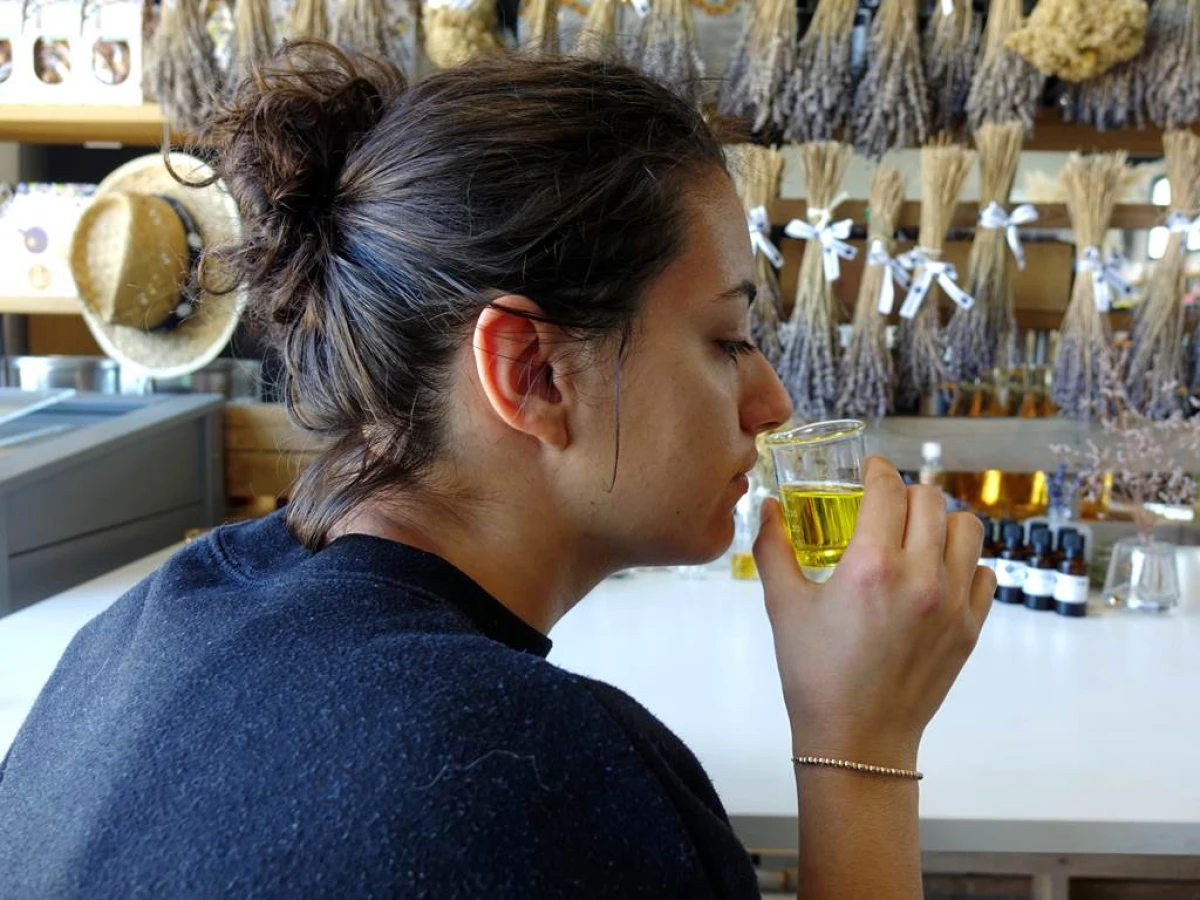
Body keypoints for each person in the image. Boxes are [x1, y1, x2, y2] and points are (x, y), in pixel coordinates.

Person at [0, 42, 994, 899]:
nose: (771, 402)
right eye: (727, 338)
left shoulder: (147, 624)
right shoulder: (545, 774)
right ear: (531, 373)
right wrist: (861, 739)